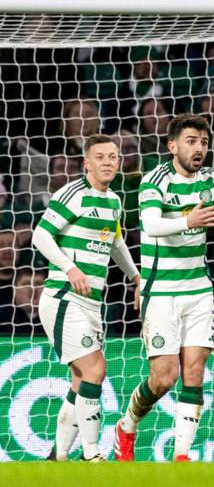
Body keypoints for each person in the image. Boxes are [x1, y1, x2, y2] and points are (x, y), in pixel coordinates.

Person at [114, 114, 214, 462]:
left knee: (195, 371)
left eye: (203, 142)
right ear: (172, 146)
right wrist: (189, 220)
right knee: (164, 378)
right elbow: (151, 225)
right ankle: (126, 425)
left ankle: (182, 456)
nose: (199, 148)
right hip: (161, 292)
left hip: (198, 290)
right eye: (191, 141)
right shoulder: (154, 181)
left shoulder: (212, 182)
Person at [31, 134, 140, 461]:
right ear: (87, 163)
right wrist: (70, 269)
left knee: (81, 380)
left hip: (93, 303)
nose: (108, 162)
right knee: (96, 370)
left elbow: (116, 243)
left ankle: (58, 458)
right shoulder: (73, 194)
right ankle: (92, 455)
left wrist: (136, 277)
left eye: (113, 157)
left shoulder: (115, 201)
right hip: (64, 297)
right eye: (101, 157)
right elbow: (40, 235)